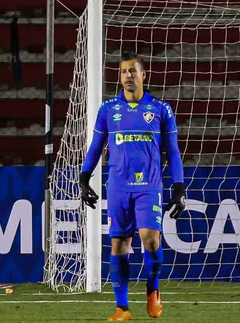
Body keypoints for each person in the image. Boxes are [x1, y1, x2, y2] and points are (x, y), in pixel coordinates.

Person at [79, 51, 186, 321]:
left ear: (143, 74)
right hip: (117, 187)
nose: (128, 76)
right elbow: (95, 147)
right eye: (124, 71)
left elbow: (172, 152)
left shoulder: (161, 109)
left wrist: (179, 187)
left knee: (150, 240)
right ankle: (122, 307)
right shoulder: (108, 110)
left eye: (133, 71)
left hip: (148, 186)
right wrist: (84, 177)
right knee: (119, 245)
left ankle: (153, 288)